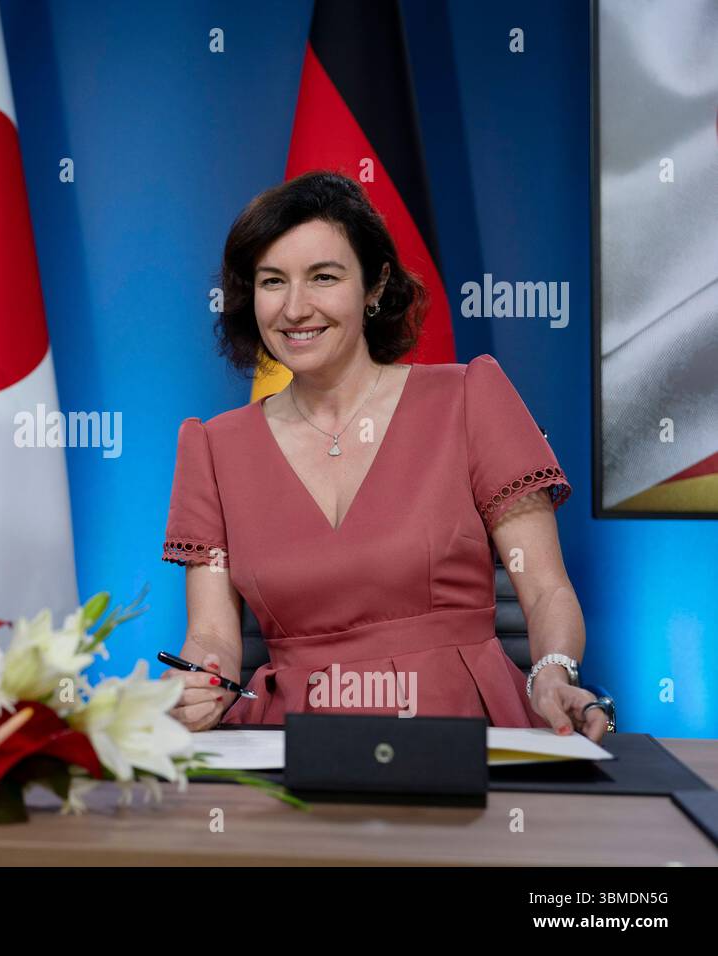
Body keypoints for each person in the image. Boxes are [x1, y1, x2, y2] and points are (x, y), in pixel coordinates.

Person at [161, 170, 611, 743]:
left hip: (463, 733)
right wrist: (201, 683)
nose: (295, 308)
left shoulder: (470, 397)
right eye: (273, 282)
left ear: (375, 286)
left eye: (323, 277)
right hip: (290, 746)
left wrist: (552, 671)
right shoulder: (213, 445)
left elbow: (545, 588)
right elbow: (211, 638)